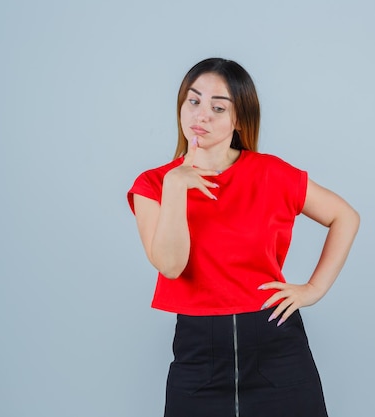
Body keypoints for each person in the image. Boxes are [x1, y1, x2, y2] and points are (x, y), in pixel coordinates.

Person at [127, 58, 360, 417]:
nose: (201, 115)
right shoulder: (154, 184)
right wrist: (176, 186)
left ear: (238, 119)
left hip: (277, 348)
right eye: (194, 101)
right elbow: (171, 266)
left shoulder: (272, 173)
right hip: (198, 356)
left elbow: (344, 215)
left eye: (218, 107)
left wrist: (313, 289)